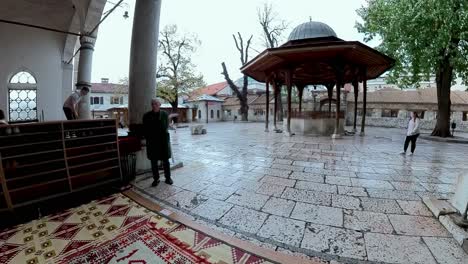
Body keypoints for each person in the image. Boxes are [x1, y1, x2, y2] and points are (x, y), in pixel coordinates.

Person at [143, 99, 173, 187]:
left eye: (156, 104)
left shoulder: (164, 114)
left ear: (160, 105)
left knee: (166, 160)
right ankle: (156, 179)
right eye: (152, 104)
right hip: (152, 142)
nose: (154, 105)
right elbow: (145, 129)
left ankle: (168, 178)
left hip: (163, 141)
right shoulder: (147, 115)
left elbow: (166, 126)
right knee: (153, 161)